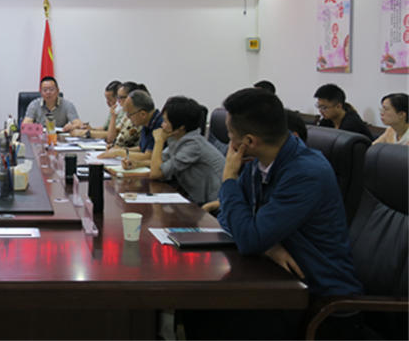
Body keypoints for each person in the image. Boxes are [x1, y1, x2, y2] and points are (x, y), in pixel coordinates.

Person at [182, 88, 363, 341]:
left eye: (230, 135)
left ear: (249, 141)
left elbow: (248, 237)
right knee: (197, 307)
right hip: (278, 282)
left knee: (210, 317)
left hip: (320, 302)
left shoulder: (306, 173)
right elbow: (227, 217)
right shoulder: (258, 164)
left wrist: (229, 179)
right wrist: (269, 246)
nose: (228, 143)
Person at [126, 96, 224, 205]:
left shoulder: (193, 145)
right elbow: (162, 161)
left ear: (181, 126)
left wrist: (159, 141)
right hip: (194, 198)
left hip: (213, 204)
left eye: (165, 121)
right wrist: (138, 164)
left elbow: (156, 173)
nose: (162, 125)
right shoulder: (177, 139)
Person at [100, 89, 163, 160]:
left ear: (143, 114)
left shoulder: (159, 125)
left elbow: (148, 156)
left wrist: (120, 152)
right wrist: (120, 149)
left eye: (130, 114)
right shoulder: (147, 120)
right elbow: (140, 148)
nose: (128, 118)